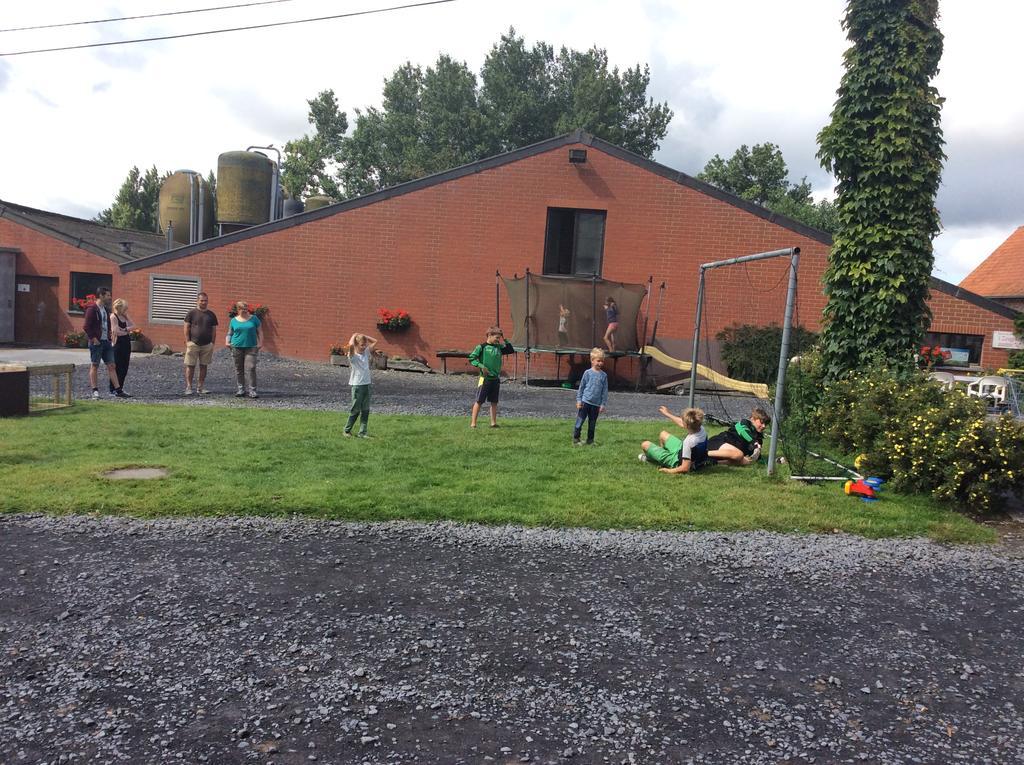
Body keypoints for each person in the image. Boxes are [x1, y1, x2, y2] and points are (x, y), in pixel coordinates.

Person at [83, 287, 126, 399]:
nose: (109, 297)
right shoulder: (92, 309)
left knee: (112, 365)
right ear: (101, 295)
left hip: (106, 342)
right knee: (95, 365)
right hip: (97, 342)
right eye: (107, 295)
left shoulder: (105, 309)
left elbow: (107, 325)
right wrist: (94, 339)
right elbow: (86, 326)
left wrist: (110, 338)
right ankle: (95, 391)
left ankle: (118, 390)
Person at [638, 406, 708, 474]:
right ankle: (663, 456)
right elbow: (682, 423)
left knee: (645, 444)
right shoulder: (701, 429)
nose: (682, 421)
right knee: (663, 434)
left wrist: (668, 471)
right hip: (682, 450)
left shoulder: (689, 442)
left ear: (687, 425)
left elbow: (685, 468)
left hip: (677, 461)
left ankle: (652, 460)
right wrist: (667, 413)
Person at [469, 325, 515, 428]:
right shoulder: (481, 347)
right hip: (484, 379)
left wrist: (505, 338)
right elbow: (472, 358)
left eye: (499, 338)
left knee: (494, 401)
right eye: (497, 338)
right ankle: (473, 423)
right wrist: (481, 366)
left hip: (495, 379)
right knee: (479, 401)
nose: (498, 340)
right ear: (490, 335)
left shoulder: (498, 347)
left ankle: (493, 423)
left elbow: (511, 350)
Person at [705, 407, 770, 466]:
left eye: (766, 424)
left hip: (730, 454)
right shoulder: (744, 423)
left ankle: (712, 463)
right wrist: (754, 442)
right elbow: (743, 431)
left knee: (747, 461)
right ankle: (702, 454)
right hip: (718, 442)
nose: (764, 426)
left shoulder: (758, 439)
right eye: (761, 422)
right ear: (753, 419)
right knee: (738, 455)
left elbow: (757, 457)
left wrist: (773, 461)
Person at [183, 292, 218, 395]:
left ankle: (200, 387)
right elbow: (186, 327)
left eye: (206, 300)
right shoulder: (191, 313)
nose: (204, 302)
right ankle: (189, 387)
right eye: (202, 300)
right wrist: (188, 341)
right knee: (190, 365)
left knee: (204, 366)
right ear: (197, 301)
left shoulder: (211, 314)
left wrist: (212, 343)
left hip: (207, 345)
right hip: (193, 343)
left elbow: (214, 330)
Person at [225, 301, 262, 399]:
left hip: (251, 347)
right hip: (236, 347)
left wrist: (260, 343)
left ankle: (252, 390)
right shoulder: (233, 320)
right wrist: (227, 341)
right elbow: (230, 333)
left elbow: (260, 331)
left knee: (251, 368)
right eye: (242, 309)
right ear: (238, 310)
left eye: (246, 308)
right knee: (239, 369)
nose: (244, 310)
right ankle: (241, 389)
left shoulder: (254, 319)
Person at [343, 332, 377, 437]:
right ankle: (347, 430)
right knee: (356, 410)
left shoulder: (366, 353)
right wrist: (354, 335)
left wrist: (364, 336)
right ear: (357, 345)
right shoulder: (353, 356)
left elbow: (375, 341)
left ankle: (362, 432)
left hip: (367, 384)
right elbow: (351, 345)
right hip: (357, 385)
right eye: (362, 345)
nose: (364, 347)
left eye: (365, 345)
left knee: (365, 410)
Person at [573, 348, 608, 445]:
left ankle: (590, 440)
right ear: (592, 360)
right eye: (598, 360)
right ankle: (576, 439)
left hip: (596, 405)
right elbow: (581, 387)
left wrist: (602, 404)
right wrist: (579, 400)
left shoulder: (604, 376)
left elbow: (604, 391)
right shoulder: (587, 373)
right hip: (585, 402)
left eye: (602, 361)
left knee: (592, 424)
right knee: (580, 421)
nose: (600, 363)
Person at [109, 298, 135, 397]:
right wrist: (125, 331)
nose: (126, 311)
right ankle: (114, 388)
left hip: (126, 342)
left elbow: (134, 326)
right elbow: (116, 332)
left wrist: (125, 329)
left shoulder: (125, 316)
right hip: (118, 343)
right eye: (124, 309)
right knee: (117, 366)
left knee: (125, 366)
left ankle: (121, 387)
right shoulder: (113, 317)